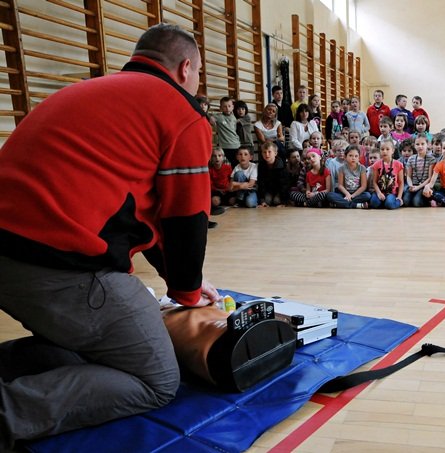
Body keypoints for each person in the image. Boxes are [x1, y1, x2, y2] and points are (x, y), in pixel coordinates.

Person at [0, 23, 219, 450]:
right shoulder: (181, 113)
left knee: (95, 348)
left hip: (11, 254)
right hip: (59, 264)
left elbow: (145, 216)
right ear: (186, 68)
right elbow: (185, 217)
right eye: (198, 75)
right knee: (156, 379)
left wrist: (188, 282)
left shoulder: (93, 91)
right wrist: (187, 294)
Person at [370, 140, 404, 209]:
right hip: (380, 191)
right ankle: (383, 202)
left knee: (390, 204)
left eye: (387, 149)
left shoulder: (398, 164)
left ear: (393, 150)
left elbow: (401, 182)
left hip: (392, 193)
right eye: (382, 149)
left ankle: (395, 202)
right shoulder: (376, 164)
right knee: (374, 204)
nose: (384, 151)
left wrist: (399, 197)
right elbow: (374, 182)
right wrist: (379, 193)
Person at [404, 133, 435, 207]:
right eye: (417, 144)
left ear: (427, 144)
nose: (420, 146)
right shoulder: (411, 159)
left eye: (422, 144)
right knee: (405, 201)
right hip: (413, 185)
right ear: (414, 145)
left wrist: (418, 187)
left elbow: (430, 178)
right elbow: (408, 176)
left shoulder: (431, 159)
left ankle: (429, 200)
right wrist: (411, 185)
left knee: (416, 202)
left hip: (424, 186)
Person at [257, 141, 289, 207]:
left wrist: (283, 202)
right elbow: (261, 182)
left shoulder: (281, 165)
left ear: (275, 153)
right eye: (264, 152)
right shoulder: (261, 165)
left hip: (279, 191)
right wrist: (262, 200)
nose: (267, 154)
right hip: (268, 190)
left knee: (276, 201)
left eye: (269, 152)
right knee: (267, 201)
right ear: (262, 154)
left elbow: (284, 184)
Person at [212, 96, 240, 164]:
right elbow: (210, 118)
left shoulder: (234, 117)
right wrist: (211, 119)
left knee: (236, 165)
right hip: (225, 146)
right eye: (224, 106)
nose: (227, 108)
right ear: (221, 108)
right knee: (226, 165)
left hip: (236, 145)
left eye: (229, 106)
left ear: (232, 107)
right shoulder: (218, 117)